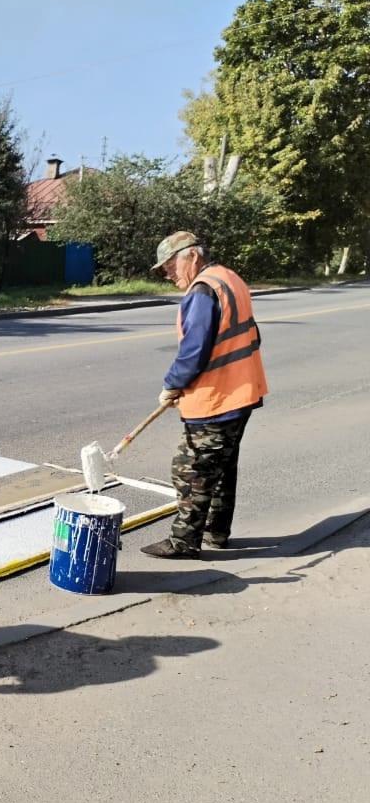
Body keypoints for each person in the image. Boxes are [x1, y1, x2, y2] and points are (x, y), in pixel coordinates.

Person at [140, 232, 268, 560]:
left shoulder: (202, 291)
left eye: (170, 265)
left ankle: (184, 541)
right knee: (222, 467)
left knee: (190, 468)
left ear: (192, 257)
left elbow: (194, 350)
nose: (167, 273)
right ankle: (216, 532)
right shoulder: (229, 278)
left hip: (217, 399)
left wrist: (172, 384)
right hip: (242, 392)